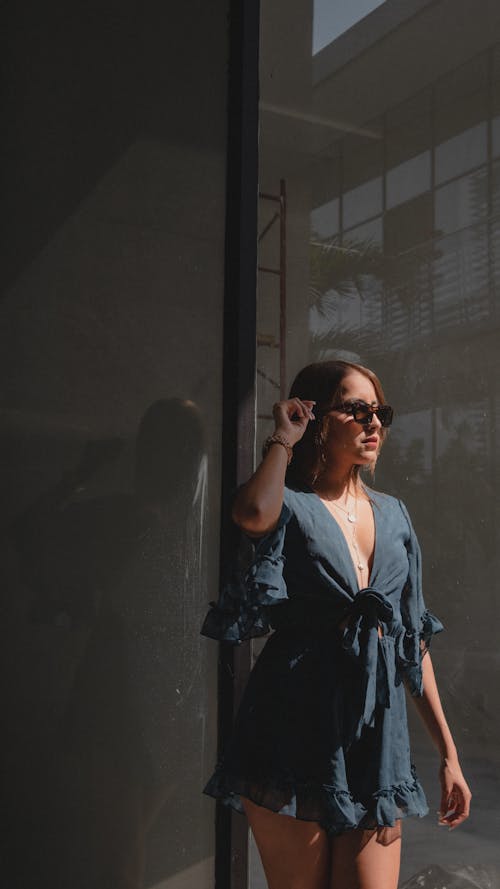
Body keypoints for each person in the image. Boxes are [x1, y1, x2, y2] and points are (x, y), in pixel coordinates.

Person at [201, 360, 471, 889]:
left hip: (375, 738)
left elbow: (411, 642)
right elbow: (252, 514)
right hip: (291, 725)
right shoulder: (292, 505)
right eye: (356, 409)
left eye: (380, 412)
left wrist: (449, 755)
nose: (374, 423)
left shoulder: (395, 514)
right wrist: (282, 437)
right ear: (317, 416)